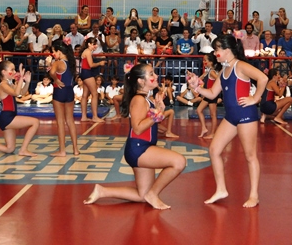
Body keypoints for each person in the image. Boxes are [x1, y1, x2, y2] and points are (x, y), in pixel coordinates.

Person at [84, 63, 186, 210]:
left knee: (142, 195)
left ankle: (102, 191)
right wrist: (156, 114)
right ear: (140, 81)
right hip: (139, 148)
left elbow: (154, 125)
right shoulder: (139, 100)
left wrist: (159, 111)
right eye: (151, 74)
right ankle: (154, 194)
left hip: (143, 147)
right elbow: (137, 128)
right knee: (179, 162)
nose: (156, 76)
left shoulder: (148, 99)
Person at [186, 34, 267, 208]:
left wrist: (254, 98)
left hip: (246, 116)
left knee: (250, 155)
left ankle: (254, 195)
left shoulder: (241, 66)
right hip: (231, 117)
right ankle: (221, 189)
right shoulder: (224, 71)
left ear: (227, 50)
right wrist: (197, 86)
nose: (215, 53)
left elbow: (263, 78)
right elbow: (212, 94)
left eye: (217, 50)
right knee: (214, 150)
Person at [48, 39, 80, 157]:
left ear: (60, 51)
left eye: (54, 52)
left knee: (60, 122)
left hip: (59, 91)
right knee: (70, 121)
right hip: (69, 91)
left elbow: (51, 73)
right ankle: (75, 149)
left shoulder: (58, 63)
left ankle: (62, 150)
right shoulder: (71, 62)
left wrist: (55, 79)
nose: (53, 54)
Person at [195, 52, 222, 139]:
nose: (204, 62)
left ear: (211, 62)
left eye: (205, 60)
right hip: (207, 95)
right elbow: (199, 78)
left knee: (213, 114)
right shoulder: (208, 71)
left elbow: (219, 78)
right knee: (199, 110)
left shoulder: (212, 72)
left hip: (212, 95)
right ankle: (204, 128)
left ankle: (213, 133)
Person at [79, 37, 106, 123]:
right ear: (89, 44)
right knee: (95, 94)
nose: (96, 46)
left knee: (85, 95)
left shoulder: (86, 51)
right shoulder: (88, 52)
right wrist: (100, 63)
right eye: (94, 44)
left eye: (96, 44)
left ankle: (84, 116)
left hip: (84, 73)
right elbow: (91, 65)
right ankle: (95, 116)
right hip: (87, 73)